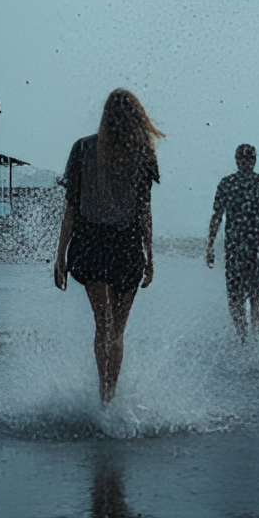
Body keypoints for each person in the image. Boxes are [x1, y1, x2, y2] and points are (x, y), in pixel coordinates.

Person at [54, 88, 163, 405]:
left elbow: (71, 207)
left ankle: (103, 398)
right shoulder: (143, 152)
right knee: (117, 332)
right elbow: (145, 210)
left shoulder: (83, 147)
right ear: (137, 117)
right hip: (126, 245)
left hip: (89, 241)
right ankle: (109, 398)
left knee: (102, 326)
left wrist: (60, 256)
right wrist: (150, 254)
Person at [206, 144, 259, 343]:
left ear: (236, 159)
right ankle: (255, 337)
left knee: (236, 296)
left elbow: (216, 217)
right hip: (258, 248)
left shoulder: (227, 183)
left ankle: (242, 338)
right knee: (256, 295)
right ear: (254, 159)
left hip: (236, 249)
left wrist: (209, 246)